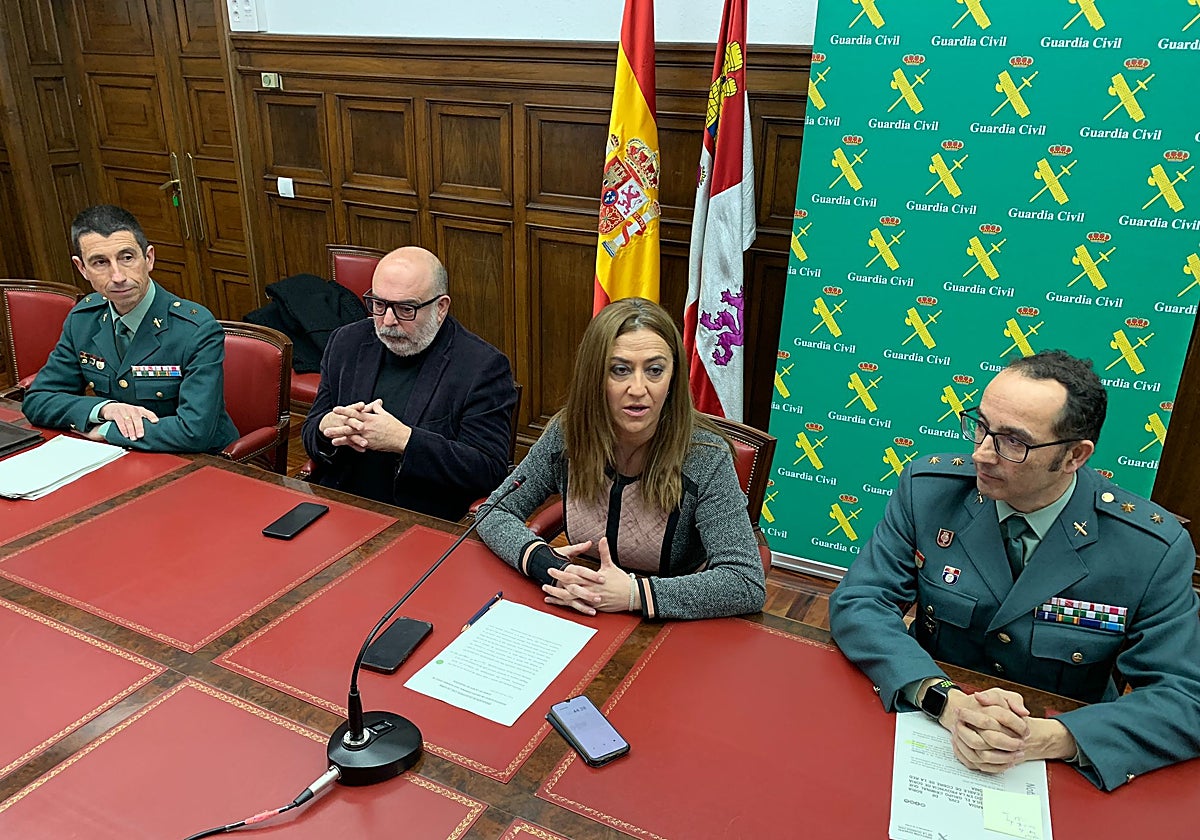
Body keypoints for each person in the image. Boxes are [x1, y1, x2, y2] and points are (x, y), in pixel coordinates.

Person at [829, 350, 1200, 790]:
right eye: (981, 426)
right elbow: (860, 601)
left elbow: (1186, 698)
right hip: (931, 729)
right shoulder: (929, 491)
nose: (982, 454)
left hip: (1064, 758)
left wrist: (1051, 738)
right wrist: (940, 698)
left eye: (1013, 442)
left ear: (1074, 456)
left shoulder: (1149, 548)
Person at [477, 297, 766, 621]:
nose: (638, 388)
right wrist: (546, 564)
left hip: (668, 620)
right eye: (620, 370)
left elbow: (745, 582)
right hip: (578, 605)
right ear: (595, 376)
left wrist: (634, 594)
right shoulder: (568, 434)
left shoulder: (706, 456)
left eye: (655, 370)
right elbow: (493, 511)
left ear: (673, 377)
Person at [301, 246, 516, 521]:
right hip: (340, 508)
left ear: (441, 307)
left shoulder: (482, 367)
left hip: (419, 519)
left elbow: (488, 471)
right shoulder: (346, 342)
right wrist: (325, 428)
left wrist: (404, 440)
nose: (388, 321)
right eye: (379, 305)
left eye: (405, 309)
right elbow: (311, 432)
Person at [23, 205, 237, 452]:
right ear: (82, 269)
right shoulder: (84, 319)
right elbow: (38, 400)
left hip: (197, 459)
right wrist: (103, 410)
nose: (118, 276)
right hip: (121, 457)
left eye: (127, 258)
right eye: (100, 262)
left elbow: (194, 431)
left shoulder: (194, 328)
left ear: (149, 258)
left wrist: (107, 431)